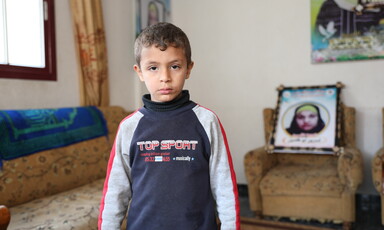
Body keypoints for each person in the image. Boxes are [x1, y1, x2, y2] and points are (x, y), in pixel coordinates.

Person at [98, 22, 240, 230]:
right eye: (153, 68)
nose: (165, 77)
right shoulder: (129, 126)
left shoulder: (207, 121)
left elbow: (224, 185)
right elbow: (116, 190)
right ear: (139, 72)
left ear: (189, 68)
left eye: (175, 66)